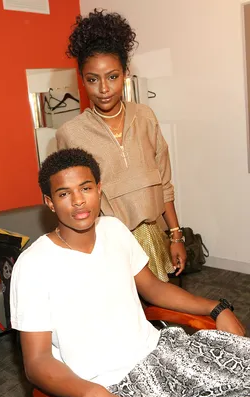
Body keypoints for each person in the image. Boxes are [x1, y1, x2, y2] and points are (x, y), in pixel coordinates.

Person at [10, 148, 249, 397]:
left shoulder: (114, 229)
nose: (78, 200)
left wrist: (217, 308)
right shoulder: (33, 265)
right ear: (49, 202)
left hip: (161, 354)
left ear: (99, 189)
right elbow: (37, 362)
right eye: (63, 194)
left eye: (86, 188)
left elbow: (153, 288)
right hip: (112, 388)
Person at [56, 9, 186, 282]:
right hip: (107, 244)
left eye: (112, 77)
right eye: (93, 79)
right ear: (82, 79)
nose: (104, 88)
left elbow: (164, 184)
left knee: (159, 313)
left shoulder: (146, 117)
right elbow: (72, 202)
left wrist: (176, 235)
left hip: (154, 235)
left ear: (125, 73)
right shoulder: (71, 134)